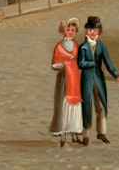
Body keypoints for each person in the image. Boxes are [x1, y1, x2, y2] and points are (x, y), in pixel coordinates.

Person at [77, 15, 119, 145]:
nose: (92, 33)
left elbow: (108, 63)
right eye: (90, 30)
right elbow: (80, 64)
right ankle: (86, 135)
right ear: (87, 31)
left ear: (99, 32)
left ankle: (101, 132)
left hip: (98, 78)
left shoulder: (101, 46)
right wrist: (90, 64)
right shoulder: (83, 47)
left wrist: (116, 75)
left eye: (95, 31)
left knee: (101, 105)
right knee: (86, 106)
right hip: (86, 78)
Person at [49, 17, 83, 147]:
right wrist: (65, 65)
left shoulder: (75, 46)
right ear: (64, 31)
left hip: (74, 80)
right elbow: (54, 64)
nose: (70, 32)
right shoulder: (59, 46)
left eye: (73, 30)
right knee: (64, 106)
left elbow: (78, 61)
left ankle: (74, 134)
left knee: (74, 107)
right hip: (64, 79)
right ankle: (63, 135)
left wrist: (75, 67)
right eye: (68, 29)